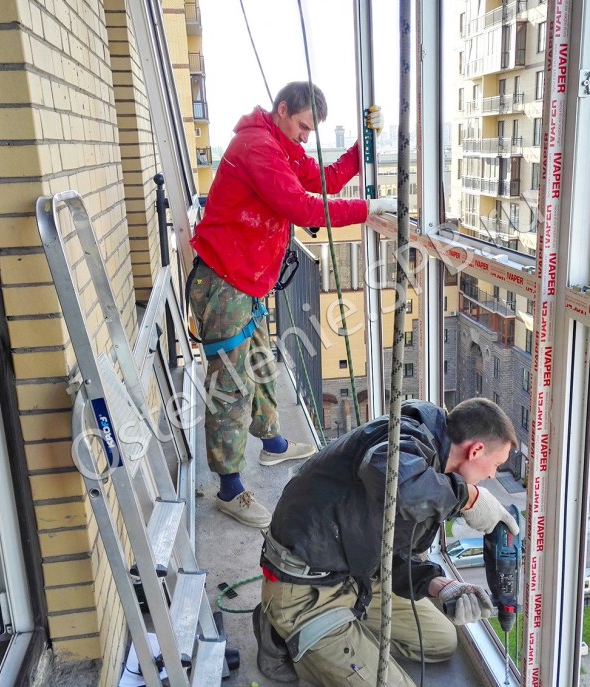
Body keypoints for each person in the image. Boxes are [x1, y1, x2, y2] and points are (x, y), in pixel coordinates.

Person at [188, 82, 396, 528]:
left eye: (311, 130)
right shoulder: (257, 147)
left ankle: (273, 444)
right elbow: (302, 208)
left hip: (244, 281)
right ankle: (229, 488)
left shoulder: (280, 145)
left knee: (260, 363)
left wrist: (365, 144)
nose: (306, 136)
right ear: (282, 110)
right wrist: (368, 209)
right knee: (232, 385)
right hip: (225, 283)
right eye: (303, 126)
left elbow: (325, 181)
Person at [253, 398, 519, 685]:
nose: (493, 475)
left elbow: (390, 549)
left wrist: (439, 584)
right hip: (305, 589)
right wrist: (467, 498)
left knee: (441, 641)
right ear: (476, 450)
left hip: (354, 575)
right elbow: (395, 480)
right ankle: (282, 636)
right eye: (496, 464)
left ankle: (342, 639)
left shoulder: (432, 466)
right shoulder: (404, 442)